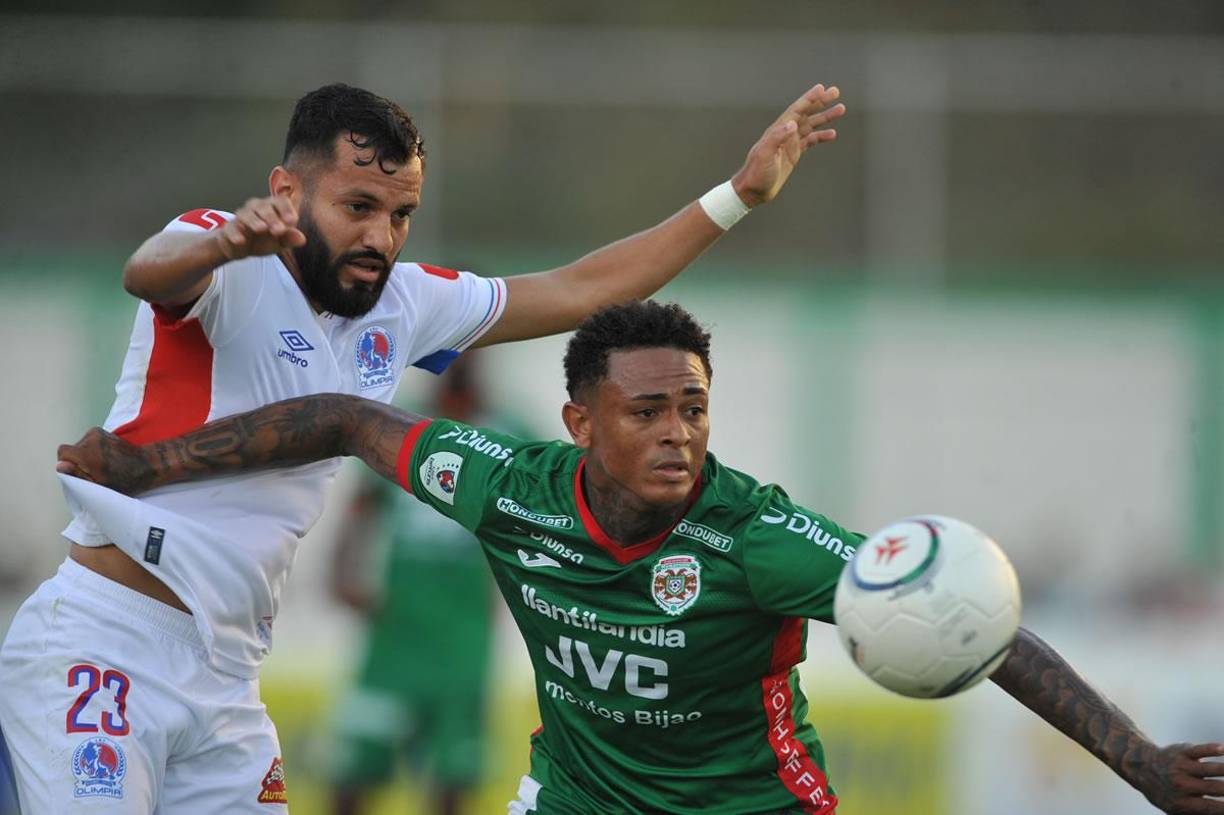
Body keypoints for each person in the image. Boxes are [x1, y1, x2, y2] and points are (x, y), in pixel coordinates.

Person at [0, 81, 845, 814]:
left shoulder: (401, 304)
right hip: (108, 640)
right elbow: (148, 272)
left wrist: (736, 194)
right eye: (357, 207)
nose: (381, 236)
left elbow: (584, 286)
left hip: (225, 673)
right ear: (286, 190)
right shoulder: (224, 251)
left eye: (401, 214)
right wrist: (226, 243)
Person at [57, 300, 1224, 815]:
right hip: (572, 800)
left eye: (695, 408)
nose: (677, 432)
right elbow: (344, 418)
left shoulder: (755, 534)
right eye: (649, 411)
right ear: (578, 424)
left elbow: (982, 628)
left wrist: (1143, 766)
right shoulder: (510, 488)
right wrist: (148, 463)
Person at [327, 353, 524, 815]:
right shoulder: (403, 424)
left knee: (452, 774)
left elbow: (541, 522)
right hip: (395, 625)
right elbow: (362, 504)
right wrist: (340, 571)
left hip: (465, 631)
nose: (462, 357)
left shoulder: (511, 432)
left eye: (476, 343)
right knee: (355, 766)